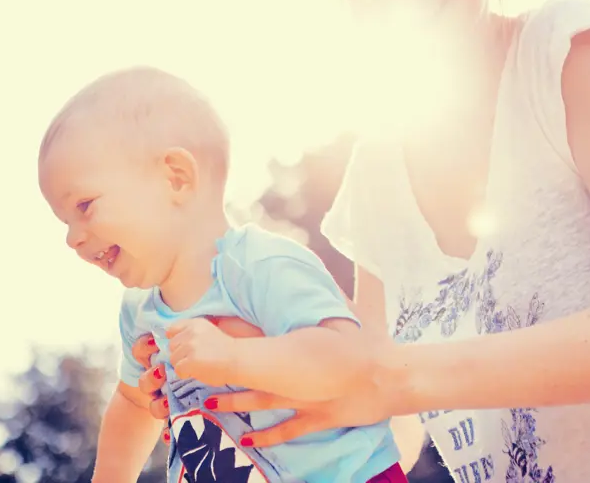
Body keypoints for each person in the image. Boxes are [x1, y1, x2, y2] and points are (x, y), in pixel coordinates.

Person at [130, 0, 590, 482]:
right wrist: (242, 380)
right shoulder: (376, 174)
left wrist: (392, 377)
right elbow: (387, 418)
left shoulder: (563, 58)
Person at [37, 66, 407, 483]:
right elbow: (133, 402)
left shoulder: (260, 267)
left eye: (84, 206)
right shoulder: (139, 314)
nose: (71, 239)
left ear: (175, 178)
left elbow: (350, 359)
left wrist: (235, 359)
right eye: (63, 220)